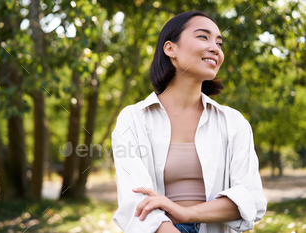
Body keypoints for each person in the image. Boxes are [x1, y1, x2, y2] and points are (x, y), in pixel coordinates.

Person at [111, 11, 267, 233]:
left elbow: (251, 199)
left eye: (219, 43)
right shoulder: (133, 119)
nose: (215, 47)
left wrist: (186, 212)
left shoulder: (234, 122)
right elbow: (135, 202)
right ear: (170, 49)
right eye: (203, 37)